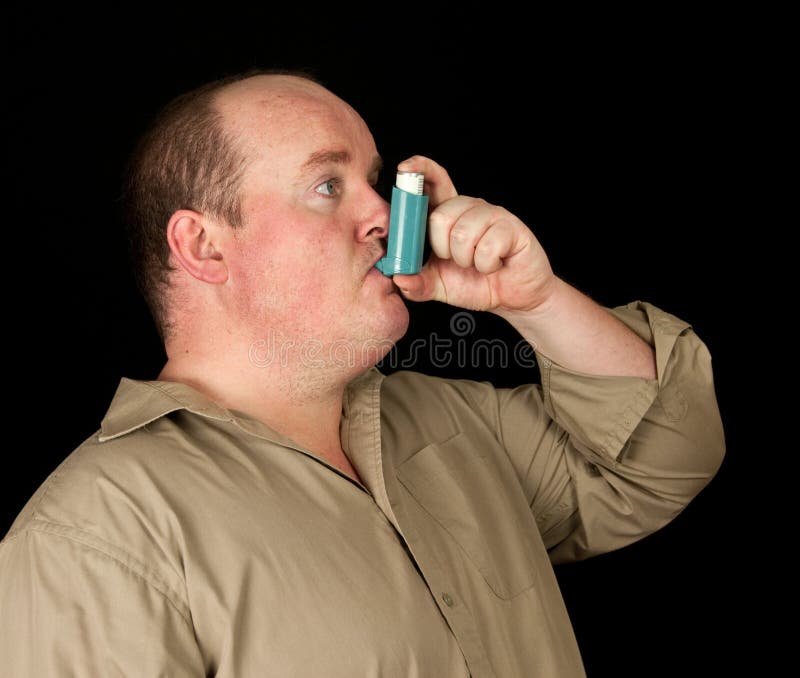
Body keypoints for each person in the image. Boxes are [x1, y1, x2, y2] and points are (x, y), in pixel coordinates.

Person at [0, 70, 725, 677]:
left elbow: (663, 460)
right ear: (204, 247)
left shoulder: (455, 425)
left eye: (376, 185)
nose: (382, 214)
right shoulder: (93, 534)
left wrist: (534, 300)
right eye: (326, 186)